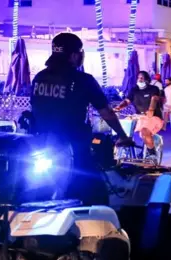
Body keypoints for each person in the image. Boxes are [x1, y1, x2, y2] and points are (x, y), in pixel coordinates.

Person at [30, 32, 130, 205]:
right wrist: (122, 135)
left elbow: (35, 108)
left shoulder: (39, 77)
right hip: (73, 146)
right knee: (95, 191)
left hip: (40, 145)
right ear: (75, 54)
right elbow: (106, 112)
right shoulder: (83, 80)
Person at [114, 71, 163, 158]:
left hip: (153, 117)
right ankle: (124, 151)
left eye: (142, 78)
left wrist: (151, 110)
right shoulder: (134, 90)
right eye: (138, 78)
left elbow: (154, 99)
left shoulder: (153, 89)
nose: (139, 80)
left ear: (147, 80)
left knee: (144, 131)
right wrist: (118, 108)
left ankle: (152, 153)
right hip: (139, 117)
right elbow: (127, 101)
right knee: (122, 128)